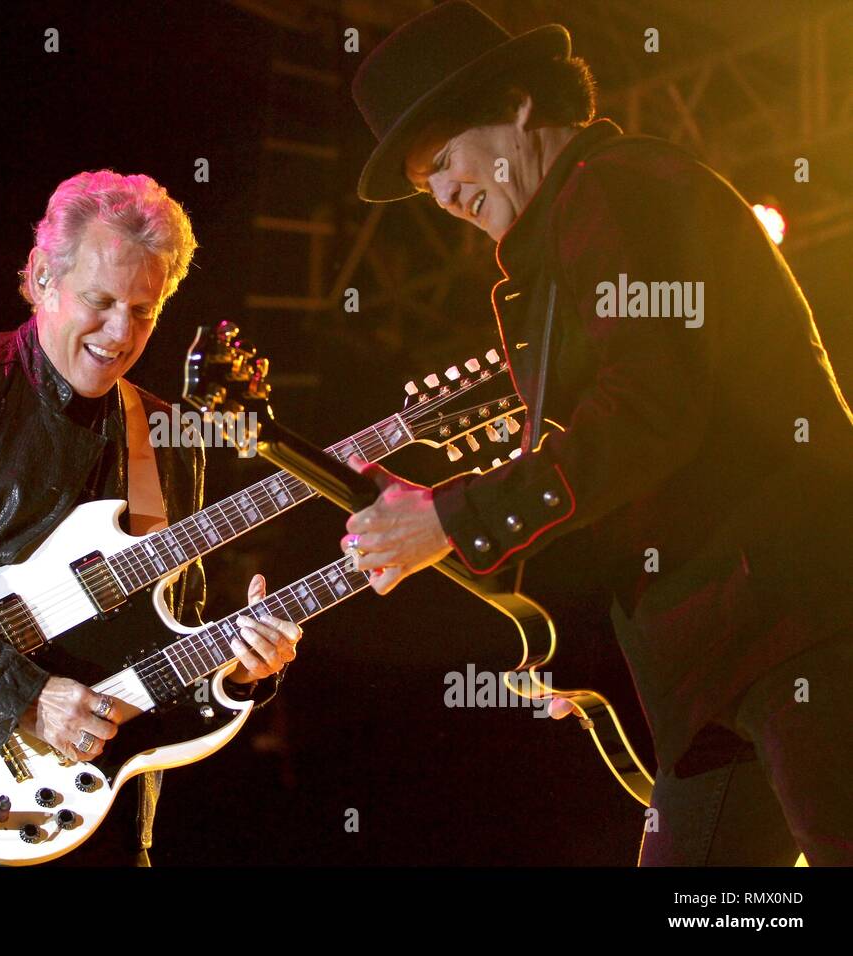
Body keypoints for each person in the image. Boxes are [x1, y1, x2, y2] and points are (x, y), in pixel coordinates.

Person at [343, 1, 853, 865]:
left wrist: (453, 518)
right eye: (424, 179)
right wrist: (592, 652)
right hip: (715, 662)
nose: (440, 194)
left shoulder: (614, 185)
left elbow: (651, 408)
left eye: (444, 159)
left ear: (517, 107)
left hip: (801, 616)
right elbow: (641, 476)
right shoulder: (558, 243)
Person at [0, 170, 301, 866]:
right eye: (100, 301)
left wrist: (241, 668)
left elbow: (168, 645)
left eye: (144, 309)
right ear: (42, 277)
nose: (120, 332)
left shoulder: (167, 433)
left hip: (99, 804)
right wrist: (24, 697)